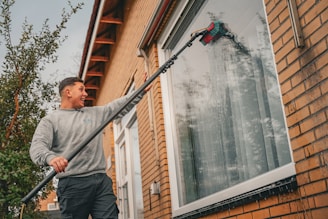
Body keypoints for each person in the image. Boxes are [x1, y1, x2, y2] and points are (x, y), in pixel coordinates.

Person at [30, 76, 149, 219]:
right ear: (68, 92)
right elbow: (37, 148)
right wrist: (51, 158)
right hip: (73, 184)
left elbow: (118, 107)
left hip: (101, 181)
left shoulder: (94, 114)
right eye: (81, 89)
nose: (85, 94)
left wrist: (140, 91)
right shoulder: (51, 121)